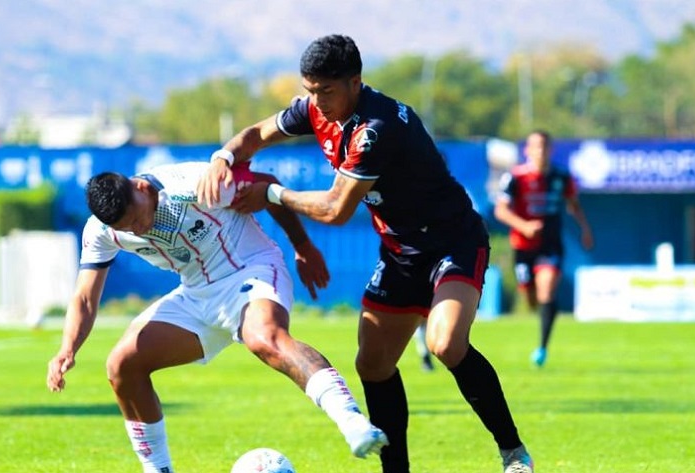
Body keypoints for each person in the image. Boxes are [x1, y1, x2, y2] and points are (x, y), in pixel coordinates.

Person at [198, 34, 534, 473]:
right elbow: (256, 134)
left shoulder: (376, 128)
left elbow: (336, 209)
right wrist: (223, 157)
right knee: (372, 364)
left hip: (452, 242)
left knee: (445, 343)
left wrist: (273, 194)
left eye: (326, 91)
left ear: (355, 83)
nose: (316, 102)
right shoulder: (314, 108)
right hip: (400, 252)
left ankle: (513, 452)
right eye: (309, 90)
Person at [46, 161, 388, 473]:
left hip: (250, 269)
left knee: (264, 339)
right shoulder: (102, 231)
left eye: (136, 219)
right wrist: (67, 349)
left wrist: (302, 246)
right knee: (122, 365)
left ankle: (352, 422)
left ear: (142, 188)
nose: (137, 230)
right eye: (127, 228)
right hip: (196, 294)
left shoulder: (193, 183)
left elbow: (266, 186)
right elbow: (85, 297)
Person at [494, 130, 594, 367]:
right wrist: (524, 226)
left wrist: (585, 229)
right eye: (536, 146)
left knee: (546, 290)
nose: (540, 151)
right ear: (527, 150)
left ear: (551, 149)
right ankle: (538, 306)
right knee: (530, 298)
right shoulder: (515, 177)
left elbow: (573, 204)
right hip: (523, 246)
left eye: (545, 146)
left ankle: (542, 348)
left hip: (550, 244)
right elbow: (501, 210)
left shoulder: (561, 176)